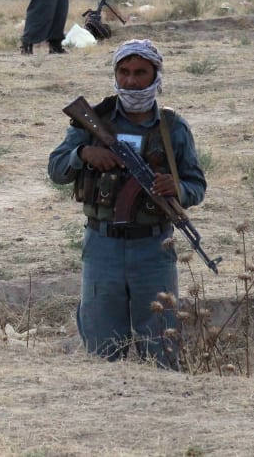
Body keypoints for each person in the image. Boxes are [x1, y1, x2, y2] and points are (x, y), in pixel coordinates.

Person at [47, 39, 206, 369]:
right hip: (102, 243)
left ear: (156, 76)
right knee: (101, 343)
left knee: (162, 342)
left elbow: (197, 185)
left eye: (140, 73)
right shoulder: (92, 121)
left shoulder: (172, 128)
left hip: (153, 246)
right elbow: (56, 168)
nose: (131, 81)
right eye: (123, 72)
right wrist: (83, 154)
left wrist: (176, 188)